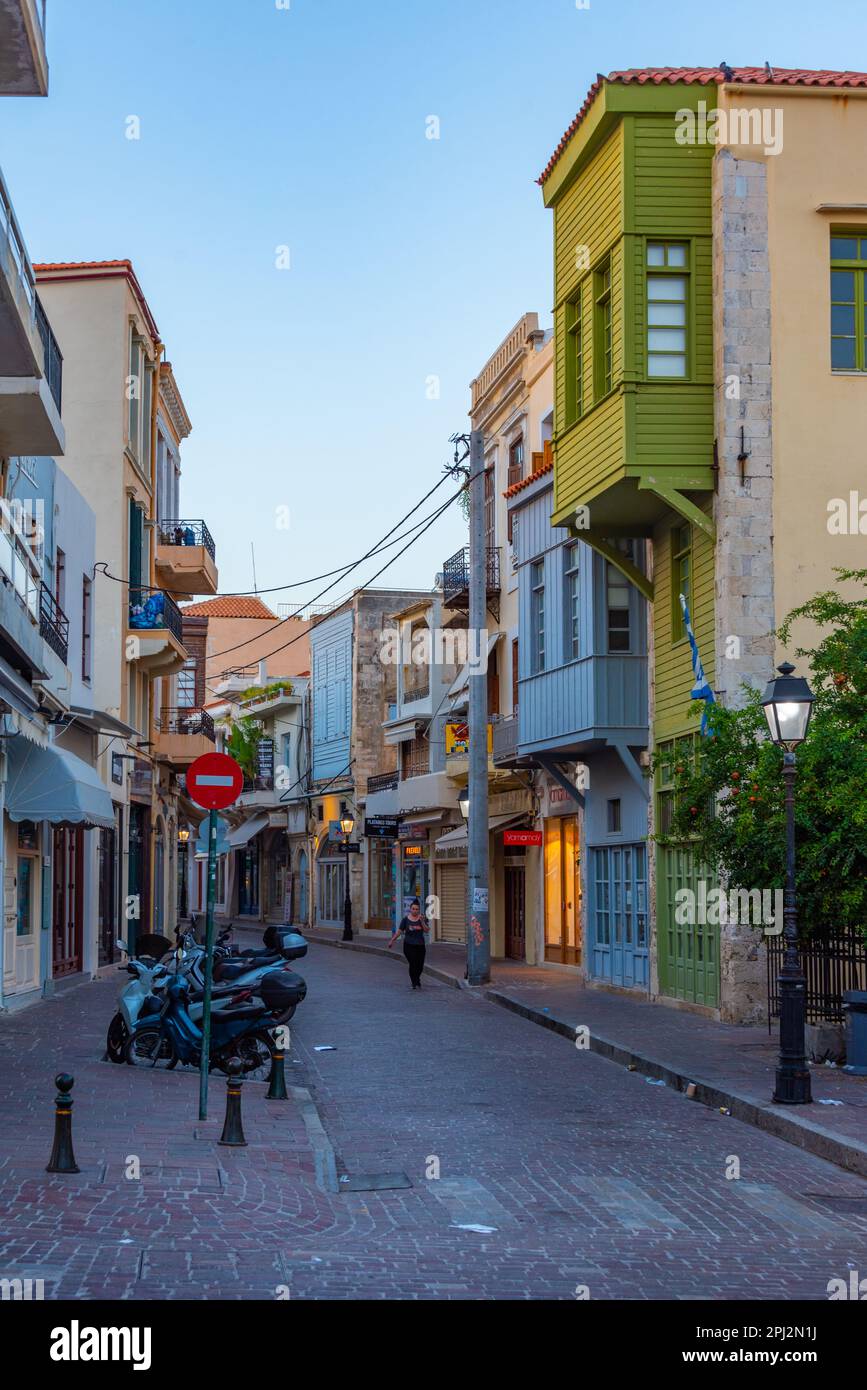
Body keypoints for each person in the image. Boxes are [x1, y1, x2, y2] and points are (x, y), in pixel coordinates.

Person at [389, 898, 429, 989]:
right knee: (413, 963)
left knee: (420, 965)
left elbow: (426, 930)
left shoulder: (422, 918)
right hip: (408, 946)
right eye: (413, 909)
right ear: (410, 909)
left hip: (420, 946)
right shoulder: (405, 920)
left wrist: (422, 921)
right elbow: (399, 932)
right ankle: (414, 982)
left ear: (419, 910)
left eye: (417, 909)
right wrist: (392, 940)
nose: (415, 911)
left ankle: (417, 978)